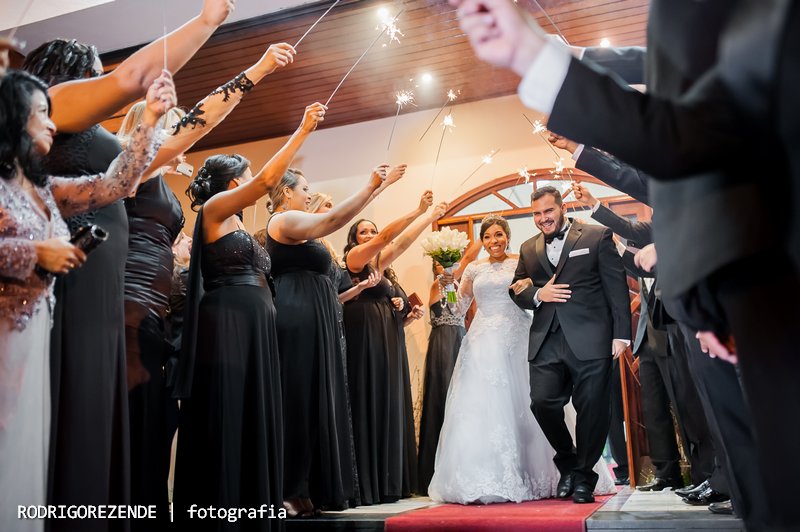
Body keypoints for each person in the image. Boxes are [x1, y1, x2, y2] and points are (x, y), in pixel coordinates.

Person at [452, 0, 798, 526]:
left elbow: (702, 127)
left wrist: (705, 272)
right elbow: (680, 116)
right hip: (723, 288)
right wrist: (552, 56)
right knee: (765, 481)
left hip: (765, 275)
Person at [20, 3, 234, 522]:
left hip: (101, 286)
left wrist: (248, 79)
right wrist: (206, 21)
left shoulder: (87, 134)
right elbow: (133, 76)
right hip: (70, 276)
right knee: (70, 398)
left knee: (95, 403)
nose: (100, 85)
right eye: (93, 74)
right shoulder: (56, 105)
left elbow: (123, 180)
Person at [117, 43, 296, 529]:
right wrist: (258, 69)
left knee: (157, 429)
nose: (182, 139)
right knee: (137, 429)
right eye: (170, 125)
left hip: (156, 313)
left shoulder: (151, 179)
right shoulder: (129, 166)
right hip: (128, 306)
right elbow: (205, 118)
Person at [0, 68, 172, 532]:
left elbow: (114, 185)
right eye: (42, 114)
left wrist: (150, 119)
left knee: (23, 454)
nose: (54, 124)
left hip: (33, 334)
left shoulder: (41, 191)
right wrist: (32, 251)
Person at [171, 102, 324, 531]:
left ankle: (253, 503)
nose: (255, 176)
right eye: (249, 171)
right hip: (230, 324)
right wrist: (304, 127)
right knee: (231, 408)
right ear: (233, 180)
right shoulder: (215, 209)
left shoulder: (237, 219)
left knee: (253, 410)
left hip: (256, 323)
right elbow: (270, 180)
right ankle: (224, 508)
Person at [429, 214, 616, 503]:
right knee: (486, 408)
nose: (494, 241)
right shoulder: (472, 269)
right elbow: (457, 311)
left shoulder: (525, 259)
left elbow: (533, 291)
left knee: (538, 403)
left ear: (507, 236)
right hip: (483, 342)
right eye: (488, 236)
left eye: (499, 235)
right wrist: (448, 287)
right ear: (482, 241)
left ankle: (565, 469)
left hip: (521, 336)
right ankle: (495, 475)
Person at [265, 163, 407, 514]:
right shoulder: (282, 222)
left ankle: (308, 485)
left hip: (321, 317)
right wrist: (371, 185)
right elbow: (335, 219)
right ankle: (287, 487)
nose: (309, 193)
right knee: (298, 399)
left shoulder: (306, 230)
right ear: (287, 192)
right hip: (296, 312)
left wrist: (376, 189)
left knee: (318, 401)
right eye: (305, 188)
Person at [509, 187, 631, 504]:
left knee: (592, 409)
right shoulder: (528, 247)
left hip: (592, 337)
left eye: (547, 211)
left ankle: (584, 478)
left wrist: (621, 334)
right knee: (542, 402)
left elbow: (616, 285)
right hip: (547, 338)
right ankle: (569, 462)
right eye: (536, 213)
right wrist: (537, 294)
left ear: (561, 208)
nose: (542, 219)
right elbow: (517, 287)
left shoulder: (596, 235)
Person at [342, 196, 446, 504]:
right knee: (368, 402)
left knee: (389, 404)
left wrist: (405, 315)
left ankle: (391, 481)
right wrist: (422, 213)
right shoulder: (356, 261)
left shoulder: (383, 269)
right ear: (354, 240)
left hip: (389, 341)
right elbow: (395, 241)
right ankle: (367, 483)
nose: (372, 236)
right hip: (364, 340)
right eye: (364, 232)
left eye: (374, 231)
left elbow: (397, 245)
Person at [417, 242, 481, 495]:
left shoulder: (454, 287)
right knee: (443, 394)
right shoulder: (437, 286)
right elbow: (444, 309)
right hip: (444, 342)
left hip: (460, 338)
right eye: (442, 265)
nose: (447, 269)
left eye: (451, 266)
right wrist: (446, 281)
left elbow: (457, 307)